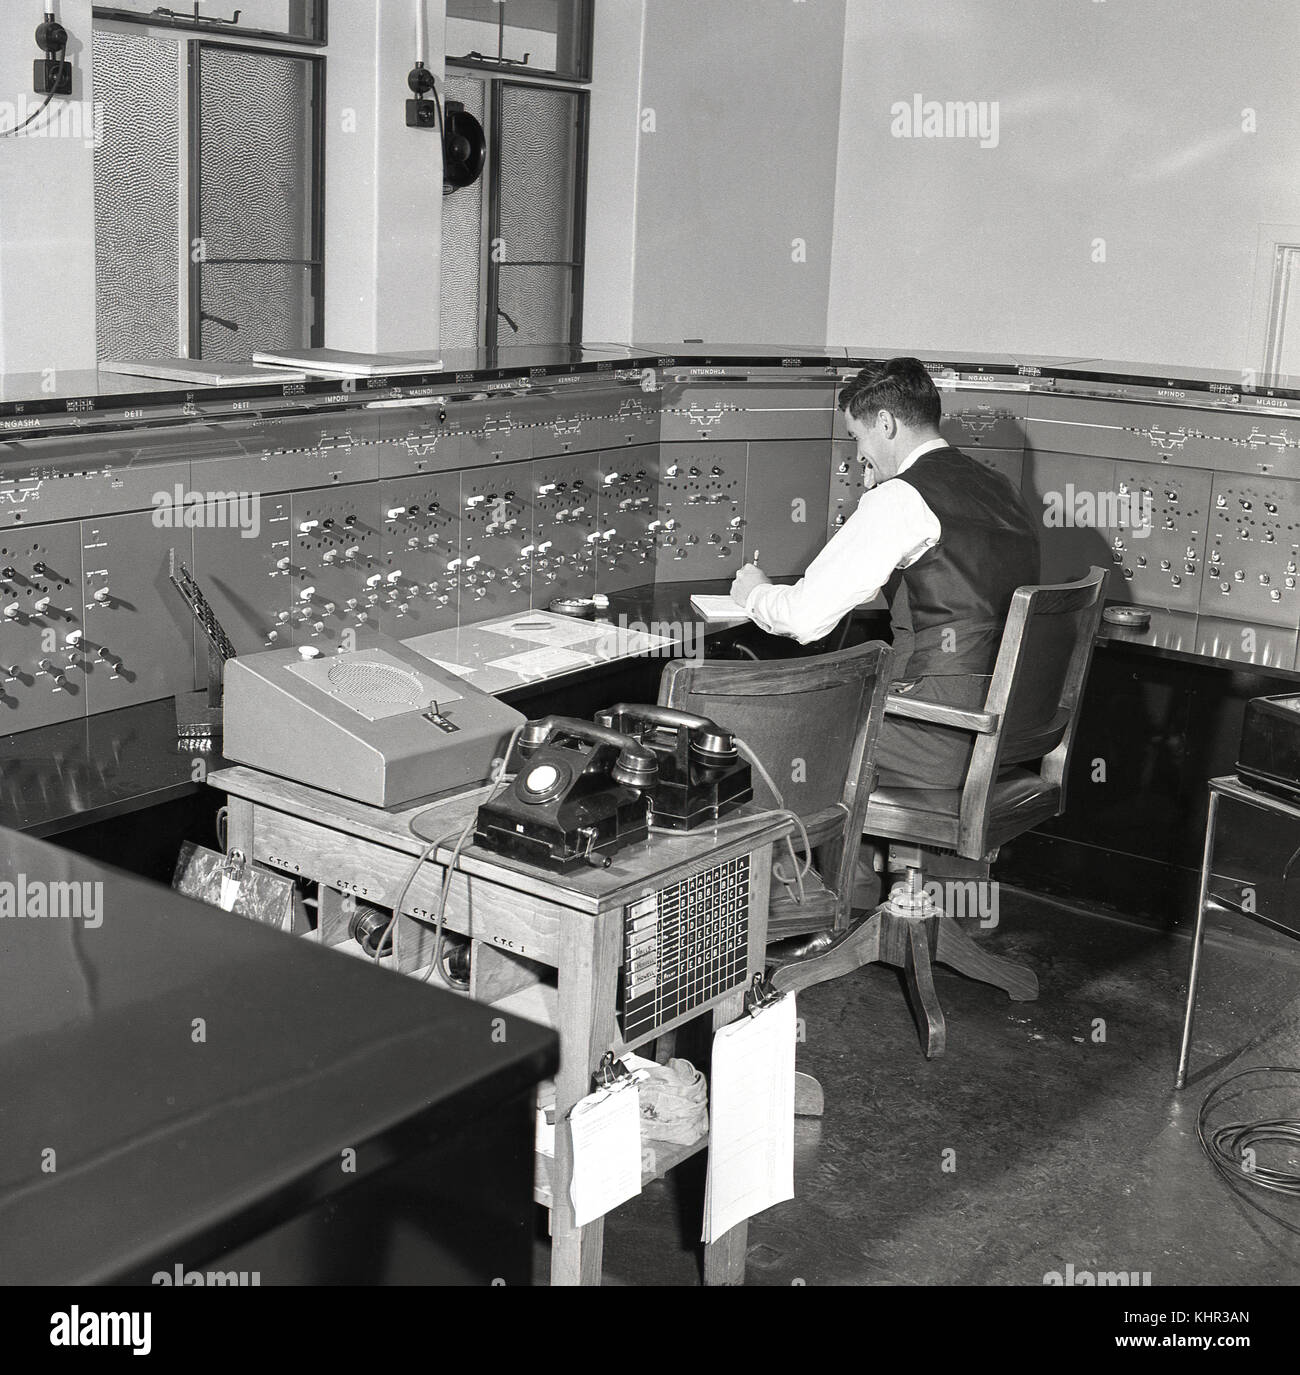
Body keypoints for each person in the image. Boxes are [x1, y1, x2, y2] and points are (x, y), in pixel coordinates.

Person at [730, 356, 1041, 793]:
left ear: (885, 423)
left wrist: (755, 593)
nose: (859, 454)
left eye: (858, 437)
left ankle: (794, 864)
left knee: (763, 733)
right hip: (1006, 731)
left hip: (939, 731)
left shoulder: (900, 497)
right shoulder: (999, 486)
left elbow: (804, 619)